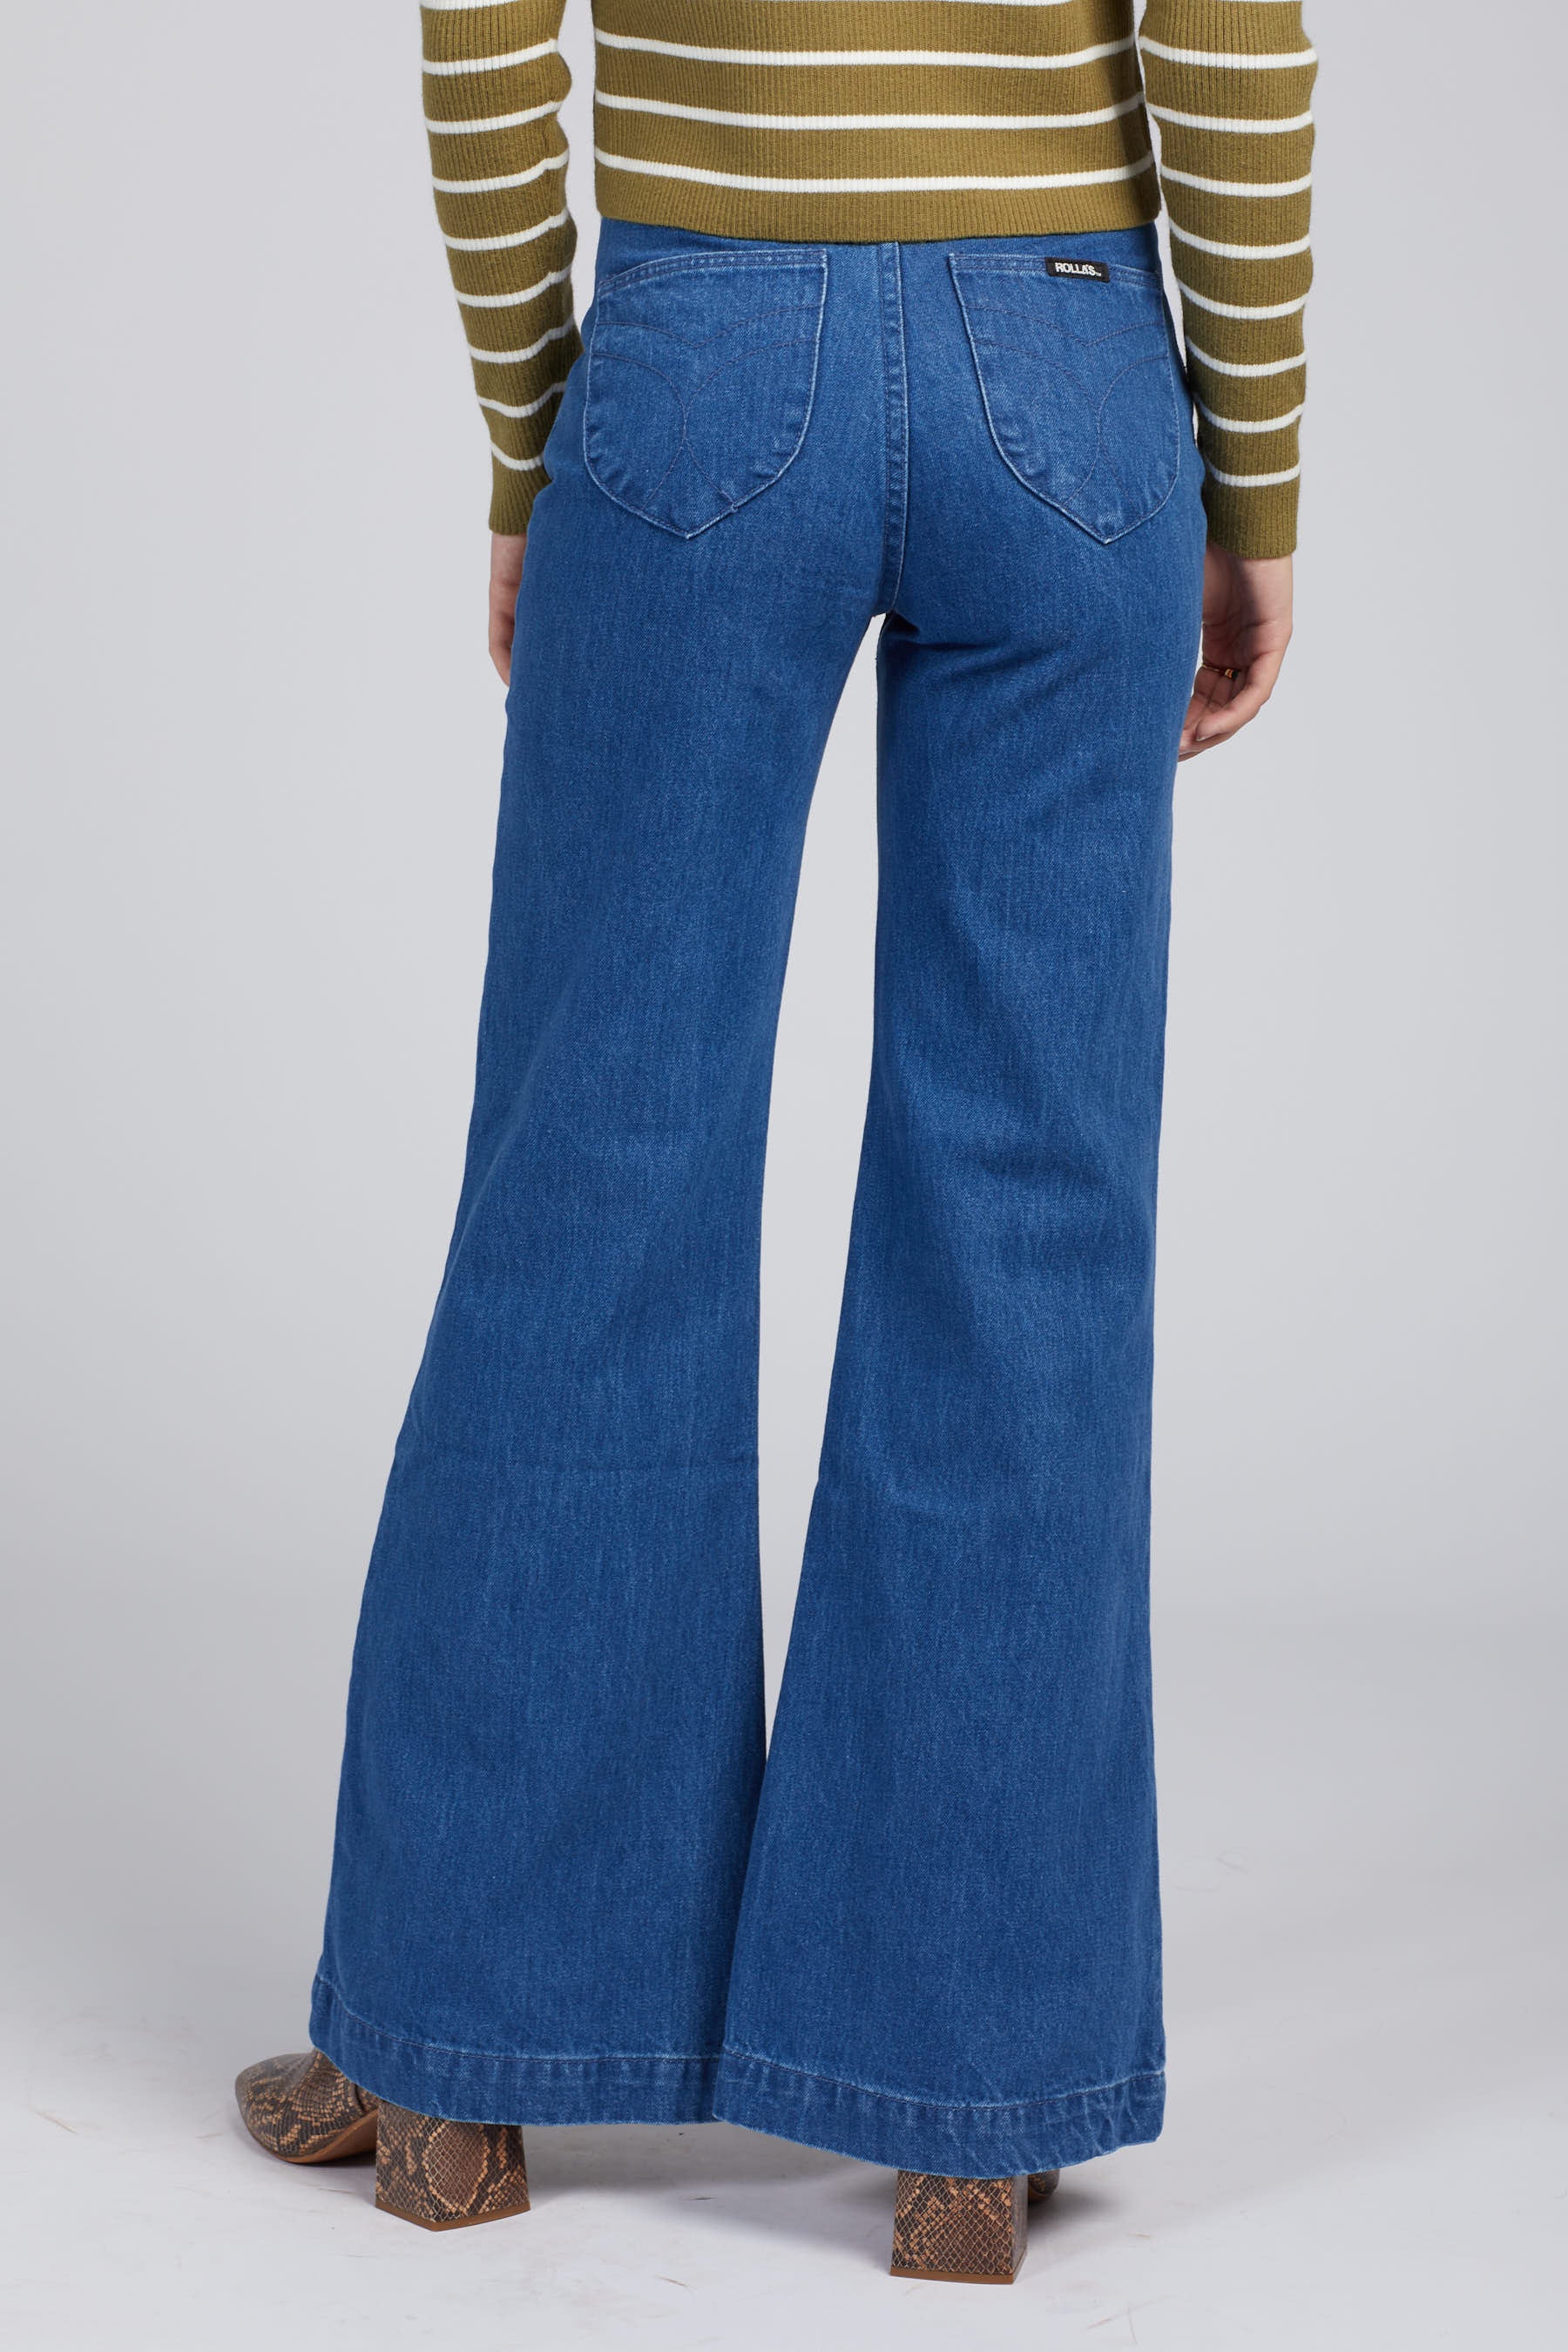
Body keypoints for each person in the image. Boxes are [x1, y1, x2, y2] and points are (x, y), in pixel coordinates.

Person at [236, 0, 1314, 2282]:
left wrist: (534, 442)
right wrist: (1260, 483)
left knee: (592, 1171)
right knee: (1030, 1209)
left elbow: (480, 32)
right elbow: (1231, 38)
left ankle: (454, 2062)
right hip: (1074, 364)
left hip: (700, 344)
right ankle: (966, 2108)